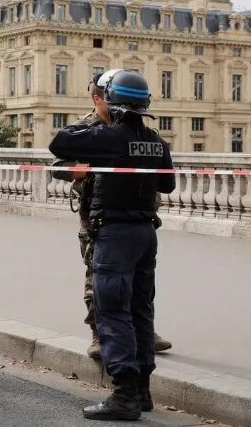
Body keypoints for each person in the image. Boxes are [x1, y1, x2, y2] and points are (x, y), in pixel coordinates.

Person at [50, 70, 175, 421]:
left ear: (109, 99)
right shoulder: (155, 140)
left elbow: (60, 143)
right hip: (146, 234)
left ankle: (123, 395)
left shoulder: (106, 137)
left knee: (113, 310)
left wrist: (101, 121)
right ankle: (143, 390)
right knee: (141, 310)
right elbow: (167, 185)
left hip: (115, 234)